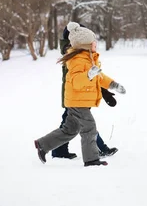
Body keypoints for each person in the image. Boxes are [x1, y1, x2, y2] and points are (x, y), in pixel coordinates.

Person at [34, 22, 126, 167]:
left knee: (69, 130)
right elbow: (77, 81)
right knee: (89, 127)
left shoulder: (88, 58)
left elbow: (99, 77)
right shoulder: (77, 60)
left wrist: (113, 85)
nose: (96, 43)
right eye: (93, 42)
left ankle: (43, 145)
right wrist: (89, 75)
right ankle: (91, 160)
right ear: (85, 44)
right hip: (77, 101)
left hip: (78, 100)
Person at [51, 25, 118, 159]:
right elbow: (84, 77)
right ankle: (100, 148)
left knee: (73, 125)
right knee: (85, 124)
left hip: (80, 94)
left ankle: (58, 150)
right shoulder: (73, 52)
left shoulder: (79, 50)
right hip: (76, 95)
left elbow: (94, 76)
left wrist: (104, 91)